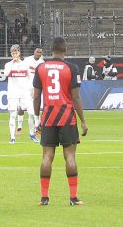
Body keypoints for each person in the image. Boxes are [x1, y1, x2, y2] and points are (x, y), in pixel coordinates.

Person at [32, 37, 87, 206]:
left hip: (48, 118)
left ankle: (44, 198)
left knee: (47, 157)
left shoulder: (41, 68)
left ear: (51, 50)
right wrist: (83, 121)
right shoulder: (72, 68)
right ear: (65, 49)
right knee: (69, 156)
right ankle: (73, 198)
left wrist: (37, 117)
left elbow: (36, 96)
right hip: (67, 117)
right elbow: (76, 97)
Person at [4, 44, 34, 143]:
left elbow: (30, 78)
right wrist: (13, 62)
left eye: (16, 53)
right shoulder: (8, 64)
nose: (14, 55)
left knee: (32, 114)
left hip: (25, 92)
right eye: (13, 53)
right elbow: (6, 74)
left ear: (19, 53)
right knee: (13, 114)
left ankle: (32, 134)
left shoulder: (25, 64)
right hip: (13, 92)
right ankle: (12, 137)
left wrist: (32, 89)